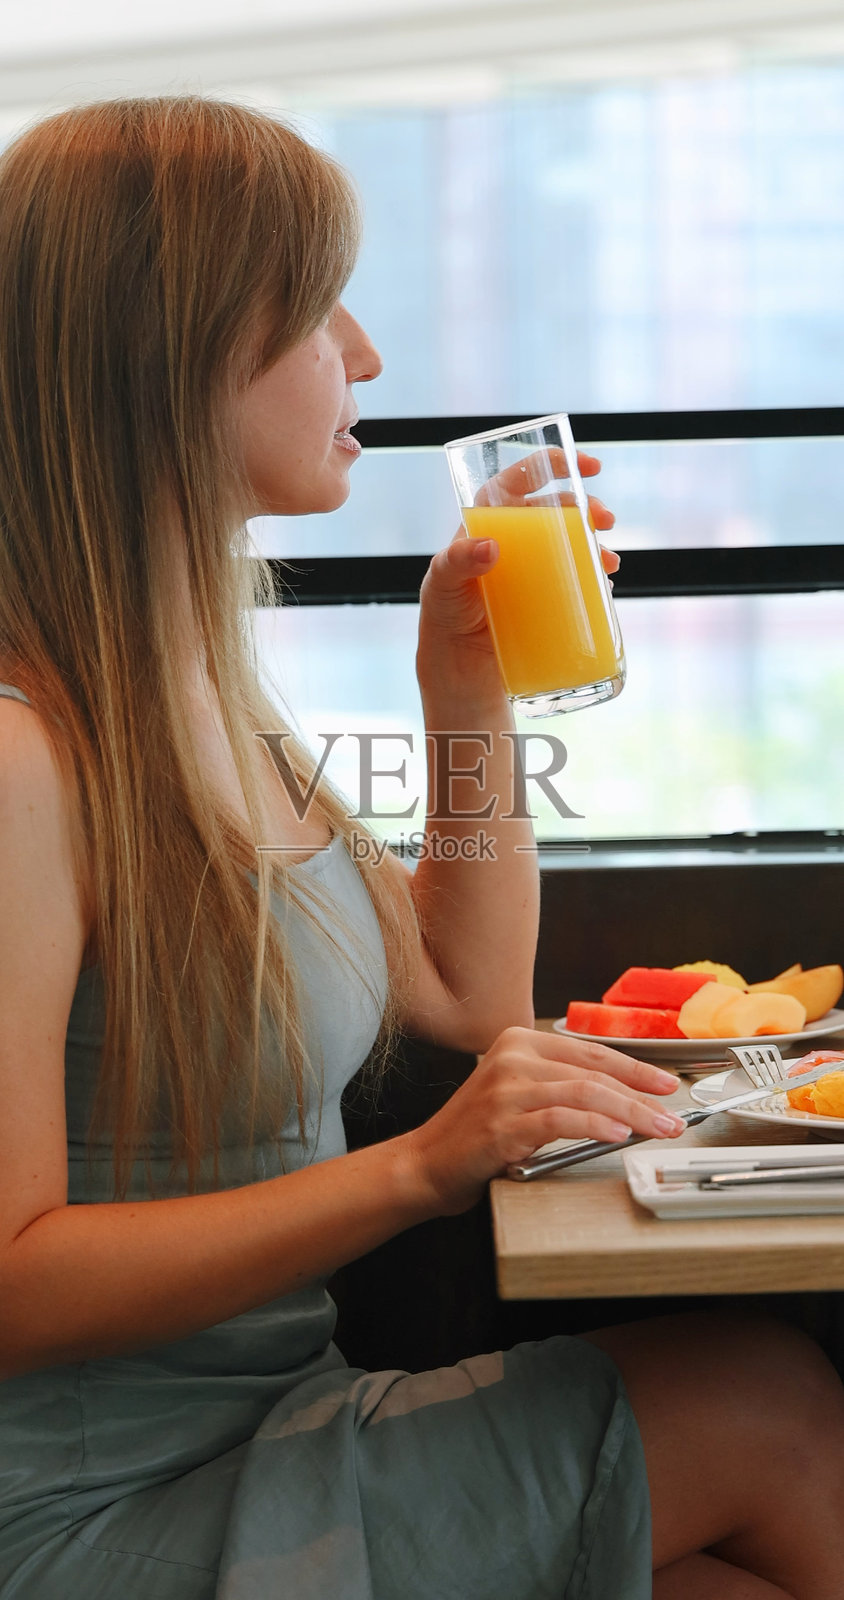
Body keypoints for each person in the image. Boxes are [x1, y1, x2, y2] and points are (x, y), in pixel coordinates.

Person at [0, 96, 842, 1600]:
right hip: (82, 1515)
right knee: (766, 1404)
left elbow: (468, 989)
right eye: (319, 308)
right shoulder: (20, 752)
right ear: (174, 353)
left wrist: (466, 690)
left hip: (273, 1426)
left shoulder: (199, 691)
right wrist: (422, 1168)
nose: (368, 354)